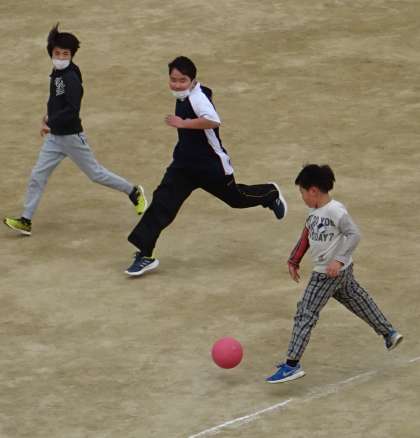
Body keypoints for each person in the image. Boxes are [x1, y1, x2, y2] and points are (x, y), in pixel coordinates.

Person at [125, 56, 287, 276]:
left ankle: (270, 193)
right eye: (173, 80)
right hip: (183, 166)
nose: (177, 85)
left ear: (193, 81)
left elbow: (213, 120)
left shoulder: (197, 98)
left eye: (182, 80)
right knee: (162, 203)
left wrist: (183, 123)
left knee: (237, 199)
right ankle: (145, 255)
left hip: (210, 167)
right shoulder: (185, 95)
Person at [3, 23, 146, 236]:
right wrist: (48, 116)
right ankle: (26, 220)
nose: (60, 57)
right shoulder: (57, 72)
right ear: (51, 52)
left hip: (71, 137)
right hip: (55, 138)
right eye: (57, 53)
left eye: (65, 54)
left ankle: (133, 191)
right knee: (37, 176)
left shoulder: (70, 78)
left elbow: (72, 109)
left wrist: (50, 123)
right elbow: (56, 99)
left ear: (71, 55)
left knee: (96, 174)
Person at [266, 164, 403, 383]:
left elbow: (354, 234)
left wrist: (338, 260)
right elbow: (306, 236)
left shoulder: (335, 211)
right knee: (358, 300)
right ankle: (389, 333)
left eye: (302, 192)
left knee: (305, 312)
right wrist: (294, 260)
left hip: (326, 274)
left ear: (313, 190)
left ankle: (292, 365)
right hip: (341, 273)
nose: (302, 197)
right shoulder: (314, 212)